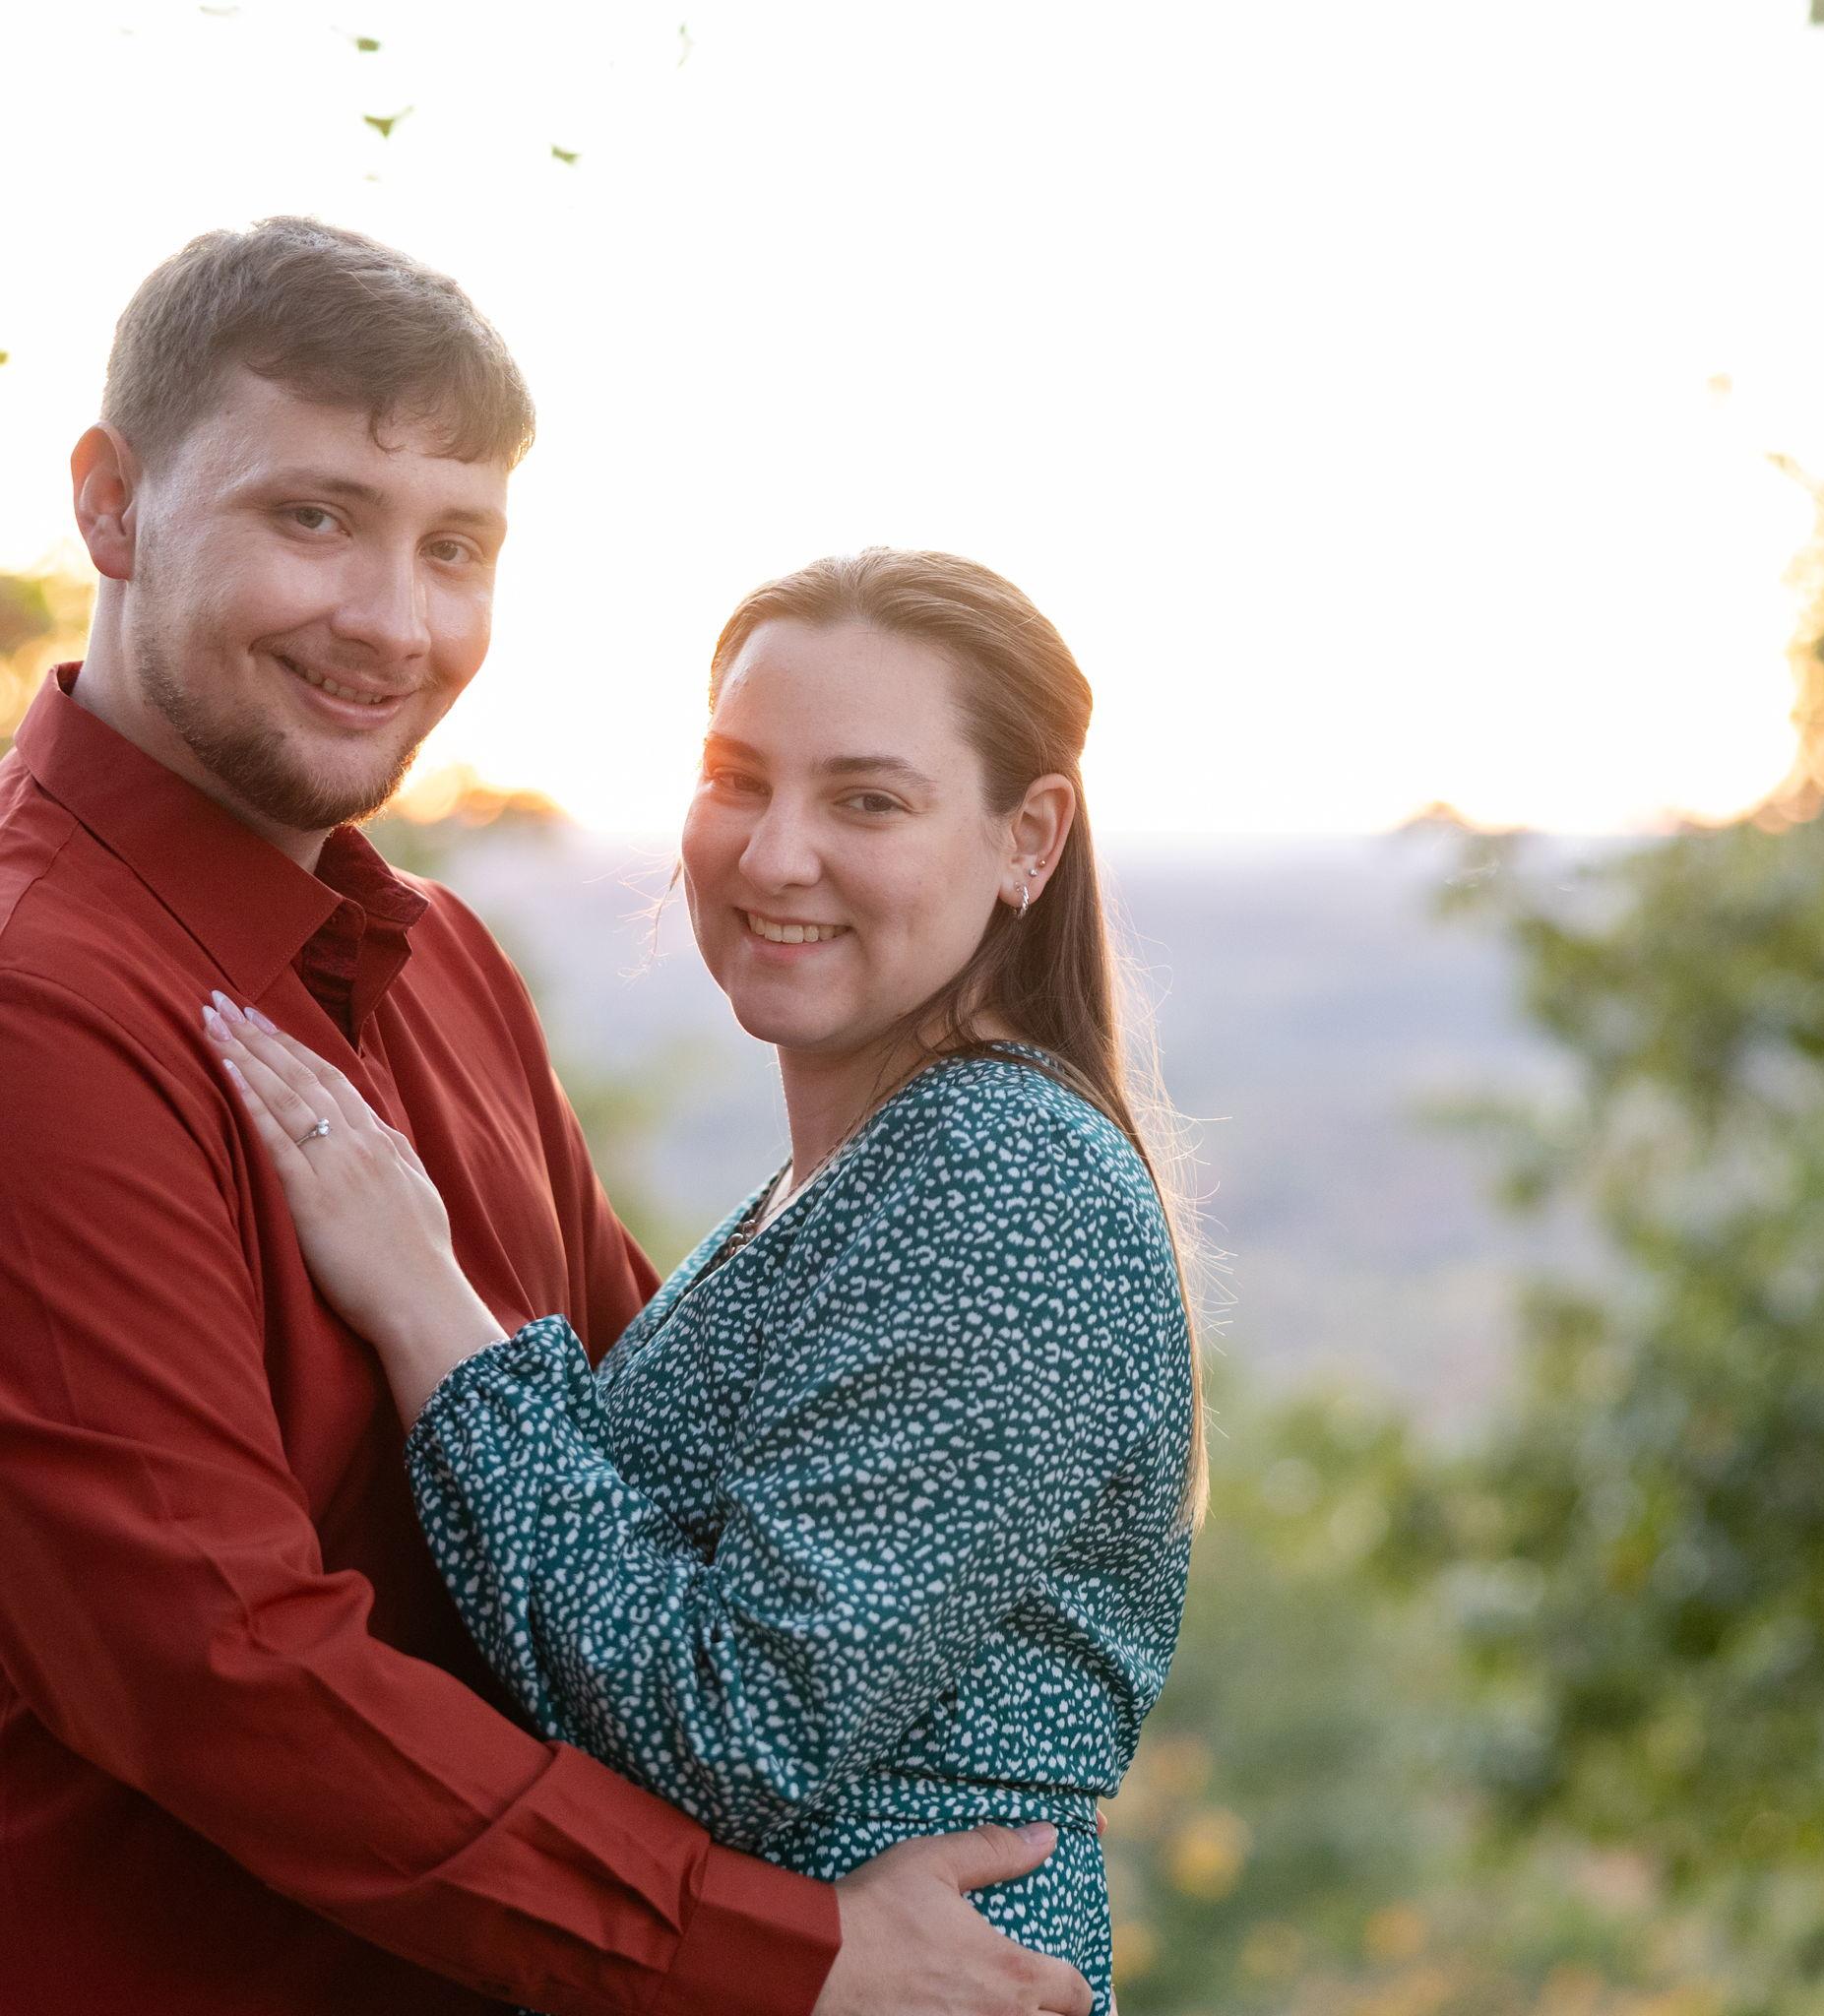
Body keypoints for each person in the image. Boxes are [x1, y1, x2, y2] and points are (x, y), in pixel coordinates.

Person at [0, 220, 1093, 2016]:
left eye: (457, 548)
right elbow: (222, 1672)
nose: (395, 624)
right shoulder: (43, 1012)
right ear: (111, 506)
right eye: (314, 517)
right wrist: (791, 1958)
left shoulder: (438, 964)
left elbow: (647, 1479)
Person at [202, 549, 1204, 2015]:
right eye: (738, 778)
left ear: (1026, 839)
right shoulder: (854, 1175)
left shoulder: (1004, 1179)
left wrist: (430, 1313)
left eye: (867, 799)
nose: (774, 853)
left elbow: (737, 1727)